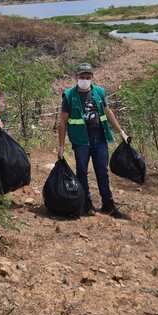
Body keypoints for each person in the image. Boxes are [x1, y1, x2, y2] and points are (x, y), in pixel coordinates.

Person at [57, 63, 130, 219]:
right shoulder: (69, 95)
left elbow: (108, 112)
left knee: (102, 172)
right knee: (82, 172)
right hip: (80, 140)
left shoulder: (99, 92)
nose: (84, 80)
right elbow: (62, 122)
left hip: (99, 139)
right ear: (77, 77)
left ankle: (108, 205)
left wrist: (121, 132)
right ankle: (86, 204)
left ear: (92, 78)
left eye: (87, 77)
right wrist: (61, 146)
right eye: (82, 77)